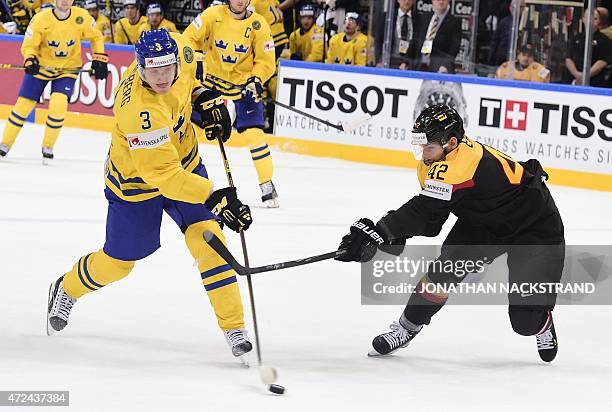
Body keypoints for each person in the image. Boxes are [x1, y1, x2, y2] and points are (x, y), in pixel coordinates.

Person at [46, 29, 255, 362]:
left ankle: (235, 327)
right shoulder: (138, 110)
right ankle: (67, 287)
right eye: (152, 70)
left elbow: (192, 78)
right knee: (119, 264)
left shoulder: (181, 53)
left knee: (210, 241)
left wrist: (203, 98)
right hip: (136, 183)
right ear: (139, 66)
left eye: (166, 69)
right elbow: (165, 178)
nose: (161, 77)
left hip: (184, 164)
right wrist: (217, 196)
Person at [336, 104, 565, 363]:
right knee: (444, 271)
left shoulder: (463, 164)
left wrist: (381, 230)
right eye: (420, 146)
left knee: (525, 323)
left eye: (428, 146)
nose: (423, 153)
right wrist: (391, 234)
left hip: (534, 226)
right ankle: (407, 327)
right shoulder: (433, 161)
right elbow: (432, 220)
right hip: (484, 224)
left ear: (451, 142)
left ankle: (542, 323)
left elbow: (422, 210)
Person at [184, 0, 279, 208]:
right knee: (188, 128)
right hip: (211, 86)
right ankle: (177, 176)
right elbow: (188, 38)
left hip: (243, 88)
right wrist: (198, 57)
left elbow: (267, 61)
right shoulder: (212, 15)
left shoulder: (258, 24)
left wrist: (256, 78)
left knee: (255, 135)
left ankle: (267, 184)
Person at [0, 0, 108, 162]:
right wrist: (30, 60)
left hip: (67, 69)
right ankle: (4, 144)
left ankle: (48, 146)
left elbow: (96, 37)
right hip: (42, 68)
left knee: (59, 104)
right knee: (23, 106)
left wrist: (99, 58)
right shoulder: (40, 19)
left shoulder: (81, 17)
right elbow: (29, 45)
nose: (65, 1)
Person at [564, 7, 612, 88]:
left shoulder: (605, 40)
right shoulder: (575, 38)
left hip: (595, 85)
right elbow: (568, 58)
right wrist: (577, 74)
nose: (591, 20)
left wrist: (585, 76)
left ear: (599, 21)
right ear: (583, 19)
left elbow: (603, 62)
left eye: (595, 18)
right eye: (588, 17)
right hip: (573, 83)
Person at [413, 0, 461, 73]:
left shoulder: (454, 22)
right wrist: (406, 61)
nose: (441, 2)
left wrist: (446, 65)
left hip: (440, 69)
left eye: (444, 0)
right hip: (419, 67)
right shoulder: (424, 17)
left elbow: (454, 47)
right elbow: (415, 40)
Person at [488, 0, 525, 67]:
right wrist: (491, 59)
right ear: (510, 8)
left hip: (521, 60)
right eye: (514, 7)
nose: (516, 10)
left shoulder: (525, 24)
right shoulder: (504, 22)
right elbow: (495, 41)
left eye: (520, 7)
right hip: (502, 58)